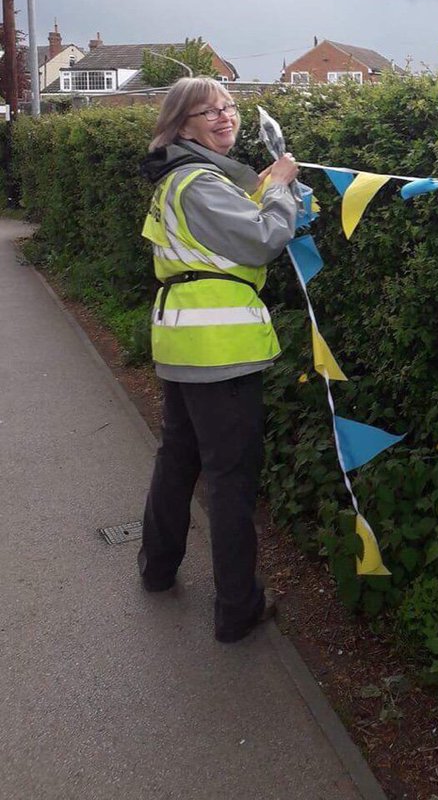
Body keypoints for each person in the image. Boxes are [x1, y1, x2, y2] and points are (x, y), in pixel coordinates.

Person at [137, 76, 299, 642]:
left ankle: (157, 570)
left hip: (185, 343)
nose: (224, 117)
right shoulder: (199, 181)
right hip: (220, 351)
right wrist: (279, 187)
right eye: (207, 112)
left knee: (179, 458)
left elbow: (227, 233)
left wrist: (268, 191)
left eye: (228, 106)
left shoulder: (189, 177)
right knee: (231, 478)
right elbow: (258, 241)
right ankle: (237, 608)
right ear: (182, 125)